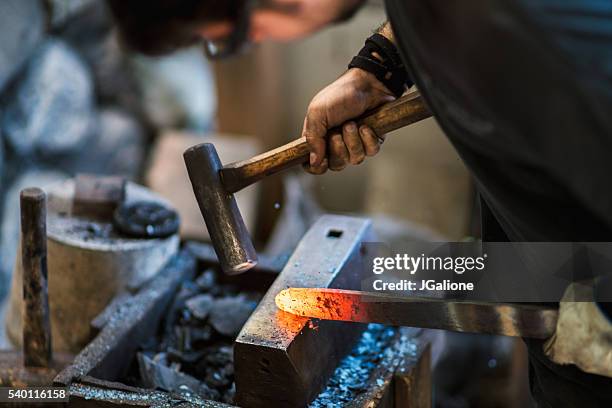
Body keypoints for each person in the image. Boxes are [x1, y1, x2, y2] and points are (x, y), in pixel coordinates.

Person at [107, 1, 612, 406]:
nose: (259, 40)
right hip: (553, 274)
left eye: (239, 33)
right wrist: (381, 66)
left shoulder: (548, 45)